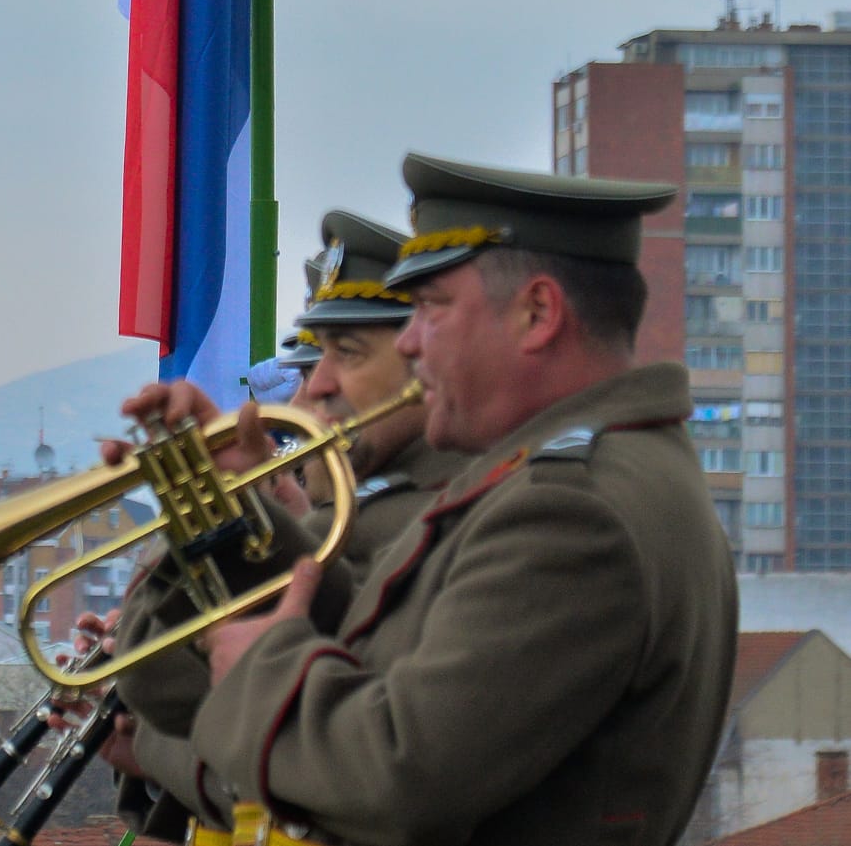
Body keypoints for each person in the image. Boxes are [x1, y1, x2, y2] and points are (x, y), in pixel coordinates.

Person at [120, 154, 739, 846]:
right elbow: (366, 645)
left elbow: (400, 775)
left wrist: (259, 673)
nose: (411, 342)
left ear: (538, 313)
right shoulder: (561, 480)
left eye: (432, 309)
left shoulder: (573, 510)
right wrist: (234, 521)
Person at [105, 212, 466, 842]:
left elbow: (167, 687)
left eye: (345, 354)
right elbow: (163, 685)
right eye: (312, 361)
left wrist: (152, 750)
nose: (309, 394)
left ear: (424, 356)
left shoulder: (413, 523)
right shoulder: (357, 520)